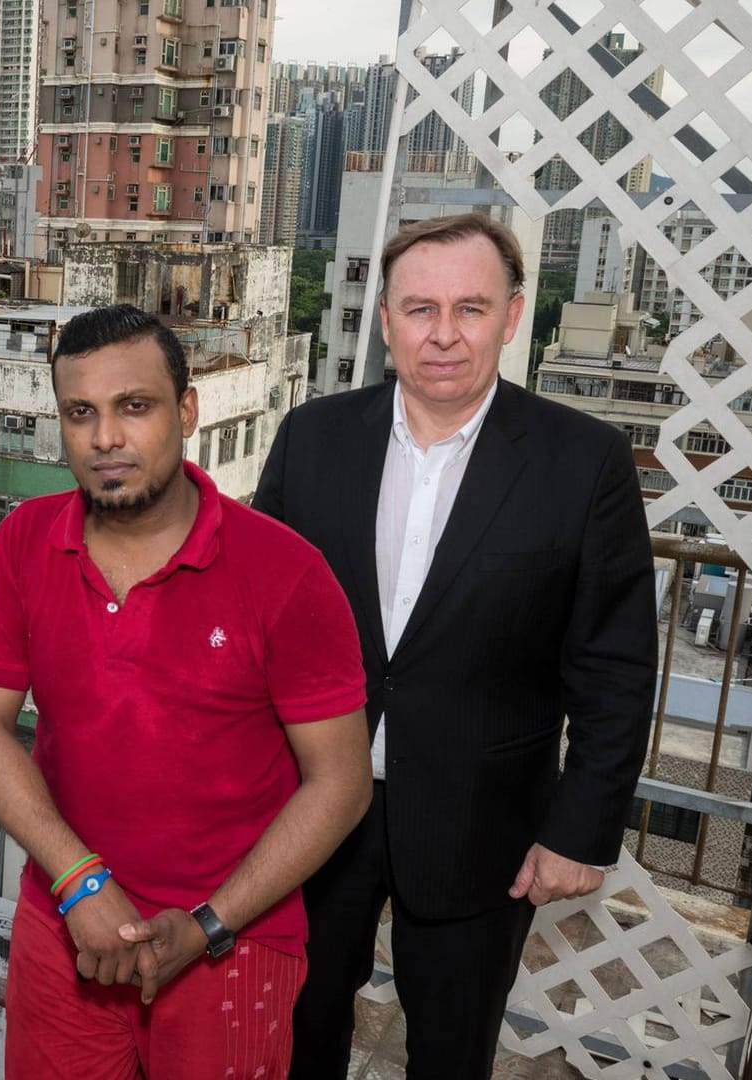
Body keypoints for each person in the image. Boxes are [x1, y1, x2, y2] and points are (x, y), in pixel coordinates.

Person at [253, 213, 658, 1078]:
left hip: (485, 821)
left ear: (513, 316)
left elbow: (614, 665)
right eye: (420, 308)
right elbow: (256, 624)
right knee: (294, 1031)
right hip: (317, 801)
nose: (443, 335)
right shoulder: (312, 437)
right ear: (387, 319)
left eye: (470, 309)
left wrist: (579, 833)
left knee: (450, 1051)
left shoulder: (584, 462)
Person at [0, 304, 374, 1078]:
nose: (105, 438)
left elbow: (341, 785)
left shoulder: (286, 571)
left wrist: (210, 924)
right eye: (81, 413)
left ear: (186, 411)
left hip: (235, 943)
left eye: (133, 407)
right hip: (68, 929)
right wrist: (82, 884)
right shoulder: (24, 542)